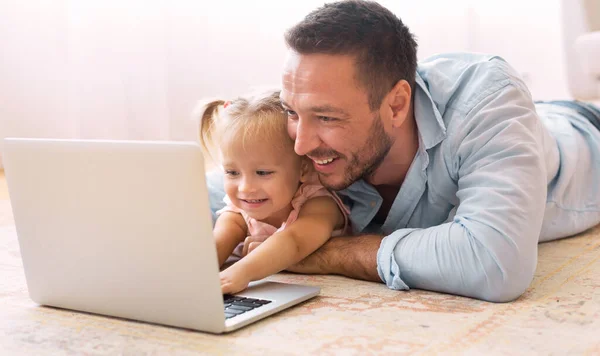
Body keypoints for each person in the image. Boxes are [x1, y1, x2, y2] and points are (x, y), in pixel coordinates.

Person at [206, 0, 600, 302]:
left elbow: (496, 264)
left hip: (584, 133)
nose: (301, 144)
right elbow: (229, 190)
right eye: (293, 112)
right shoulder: (313, 141)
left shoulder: (486, 98)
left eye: (326, 117)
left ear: (396, 105)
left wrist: (323, 254)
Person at [196, 89, 348, 294]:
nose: (245, 188)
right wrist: (193, 275)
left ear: (303, 168)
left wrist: (242, 272)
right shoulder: (239, 210)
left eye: (262, 172)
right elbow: (219, 243)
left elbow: (294, 241)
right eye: (232, 172)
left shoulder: (319, 203)